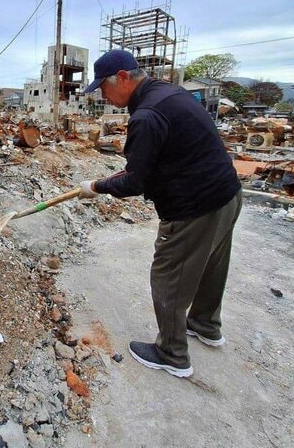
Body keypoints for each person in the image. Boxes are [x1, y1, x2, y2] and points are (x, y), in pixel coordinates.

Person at [80, 49, 242, 378]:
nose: (103, 95)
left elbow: (135, 181)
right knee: (211, 265)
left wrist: (95, 186)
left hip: (194, 206)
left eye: (103, 88)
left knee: (168, 275)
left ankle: (172, 353)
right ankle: (205, 325)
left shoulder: (146, 115)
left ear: (123, 78)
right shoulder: (169, 92)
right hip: (227, 194)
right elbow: (153, 164)